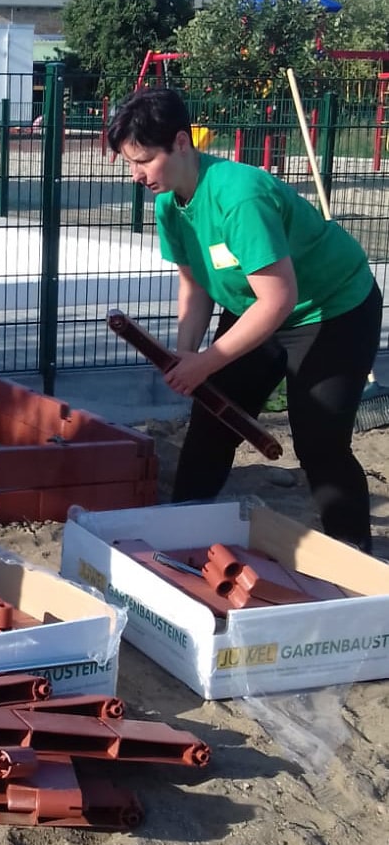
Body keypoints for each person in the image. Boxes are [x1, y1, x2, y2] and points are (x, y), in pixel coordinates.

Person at [107, 87, 383, 552]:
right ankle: (181, 537)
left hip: (331, 309)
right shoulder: (169, 204)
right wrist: (189, 355)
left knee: (319, 442)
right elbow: (194, 289)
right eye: (129, 163)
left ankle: (355, 558)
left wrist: (207, 363)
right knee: (213, 422)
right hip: (255, 308)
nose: (136, 174)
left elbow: (278, 300)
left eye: (144, 160)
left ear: (180, 141)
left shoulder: (239, 197)